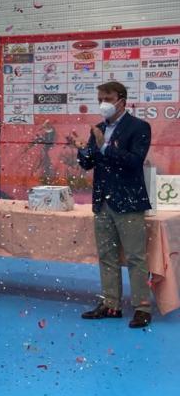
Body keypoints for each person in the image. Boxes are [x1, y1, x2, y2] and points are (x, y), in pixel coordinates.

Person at [73, 81, 153, 328]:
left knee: (135, 258)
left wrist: (104, 147)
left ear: (122, 100)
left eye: (107, 98)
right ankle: (111, 304)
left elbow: (134, 161)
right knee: (106, 257)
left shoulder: (139, 127)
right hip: (102, 203)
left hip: (129, 201)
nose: (102, 103)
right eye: (100, 98)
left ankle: (142, 307)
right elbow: (88, 164)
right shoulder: (97, 128)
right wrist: (82, 151)